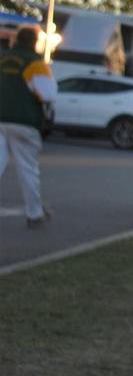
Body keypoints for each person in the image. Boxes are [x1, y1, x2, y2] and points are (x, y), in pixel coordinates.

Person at [0, 26, 57, 227]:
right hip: (24, 122)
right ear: (34, 42)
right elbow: (48, 94)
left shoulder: (3, 59)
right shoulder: (34, 63)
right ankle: (34, 214)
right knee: (28, 170)